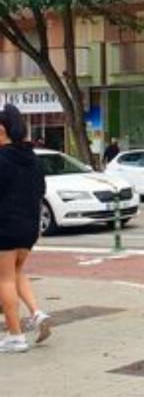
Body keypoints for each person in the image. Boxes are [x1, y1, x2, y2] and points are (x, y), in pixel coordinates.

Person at [0, 104, 51, 353]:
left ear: (2, 130)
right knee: (17, 272)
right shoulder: (32, 158)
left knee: (4, 279)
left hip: (5, 227)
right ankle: (37, 313)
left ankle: (15, 336)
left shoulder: (2, 158)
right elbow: (40, 191)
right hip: (28, 228)